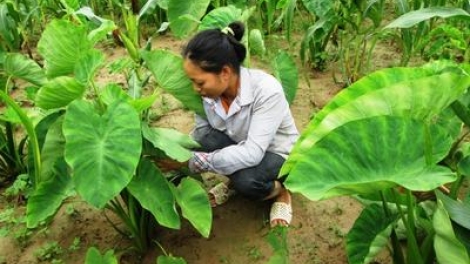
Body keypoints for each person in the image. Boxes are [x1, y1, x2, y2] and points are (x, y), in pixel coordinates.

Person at [160, 21, 299, 227]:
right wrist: (175, 153)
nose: (194, 89)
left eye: (199, 82)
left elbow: (253, 153)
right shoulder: (210, 93)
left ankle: (280, 191)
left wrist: (190, 162)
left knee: (247, 182)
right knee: (203, 139)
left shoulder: (267, 91)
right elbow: (202, 135)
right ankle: (234, 178)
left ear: (225, 73)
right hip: (240, 143)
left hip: (276, 152)